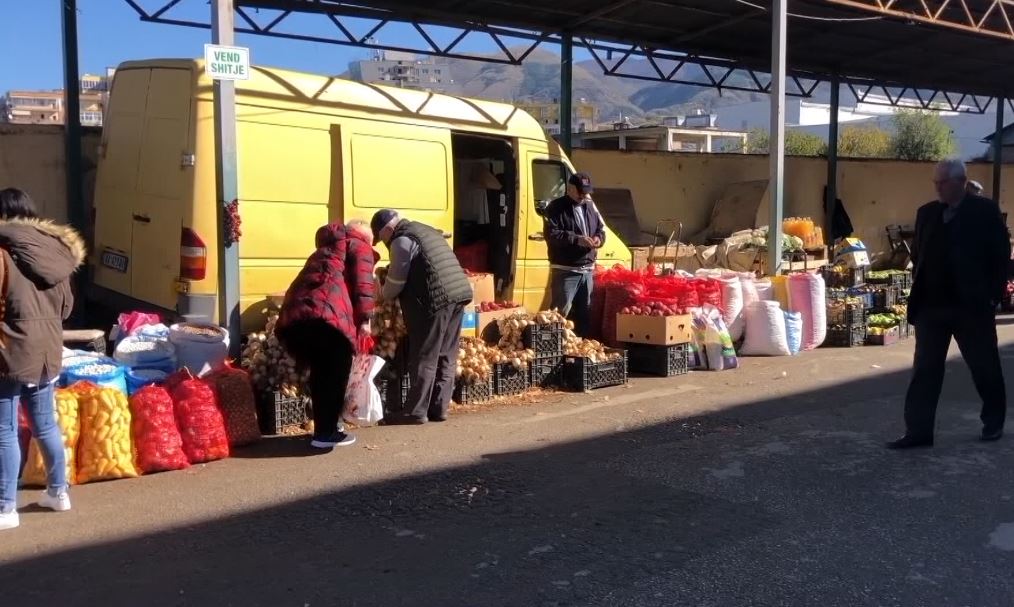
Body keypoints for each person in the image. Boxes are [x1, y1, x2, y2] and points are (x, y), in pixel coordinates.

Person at [889, 159, 1010, 449]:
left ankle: (993, 422)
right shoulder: (927, 213)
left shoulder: (984, 212)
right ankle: (918, 431)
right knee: (925, 370)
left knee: (984, 366)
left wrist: (993, 296)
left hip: (971, 307)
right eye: (936, 182)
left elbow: (1001, 256)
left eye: (942, 182)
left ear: (961, 182)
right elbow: (919, 255)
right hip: (933, 306)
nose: (937, 187)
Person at [0, 188, 86, 531]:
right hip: (48, 352)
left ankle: (6, 507)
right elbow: (66, 308)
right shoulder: (57, 252)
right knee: (45, 424)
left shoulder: (3, 254)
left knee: (4, 430)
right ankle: (58, 492)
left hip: (9, 352)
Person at [276, 220, 376, 450]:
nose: (371, 247)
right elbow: (364, 284)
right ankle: (326, 433)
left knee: (321, 374)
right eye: (371, 241)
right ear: (363, 237)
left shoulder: (327, 249)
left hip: (296, 317)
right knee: (334, 374)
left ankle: (327, 427)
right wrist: (366, 320)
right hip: (326, 319)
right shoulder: (358, 245)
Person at [370, 209, 472, 425]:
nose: (383, 242)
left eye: (381, 238)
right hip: (458, 294)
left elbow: (395, 283)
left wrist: (382, 294)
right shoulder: (424, 230)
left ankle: (415, 411)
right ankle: (439, 408)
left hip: (436, 299)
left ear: (388, 229)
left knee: (424, 355)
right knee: (446, 354)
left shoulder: (401, 240)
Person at [543, 172, 605, 336]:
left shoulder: (590, 207)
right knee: (560, 313)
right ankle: (553, 347)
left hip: (588, 270)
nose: (584, 195)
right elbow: (552, 234)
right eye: (581, 191)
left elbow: (600, 229)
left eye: (586, 192)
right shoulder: (555, 208)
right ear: (570, 189)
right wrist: (577, 240)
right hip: (566, 271)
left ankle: (580, 349)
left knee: (584, 314)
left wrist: (599, 238)